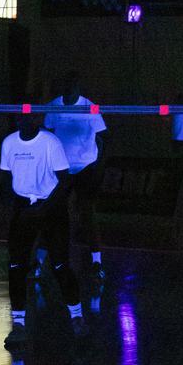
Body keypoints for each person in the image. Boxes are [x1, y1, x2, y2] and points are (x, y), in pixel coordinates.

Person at [0, 110, 86, 349]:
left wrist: (44, 208)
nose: (25, 121)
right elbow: (5, 179)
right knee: (16, 266)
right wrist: (17, 207)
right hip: (23, 209)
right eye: (21, 117)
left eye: (30, 117)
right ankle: (18, 324)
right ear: (16, 120)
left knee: (60, 265)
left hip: (51, 208)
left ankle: (77, 317)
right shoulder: (9, 143)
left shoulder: (50, 142)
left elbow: (65, 180)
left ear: (37, 119)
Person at [41, 73, 107, 286]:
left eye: (72, 87)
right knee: (51, 213)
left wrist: (98, 165)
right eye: (65, 87)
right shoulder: (53, 106)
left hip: (86, 166)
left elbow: (102, 137)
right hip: (61, 169)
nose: (69, 91)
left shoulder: (91, 107)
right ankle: (41, 261)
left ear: (78, 88)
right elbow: (47, 135)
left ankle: (97, 263)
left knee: (87, 212)